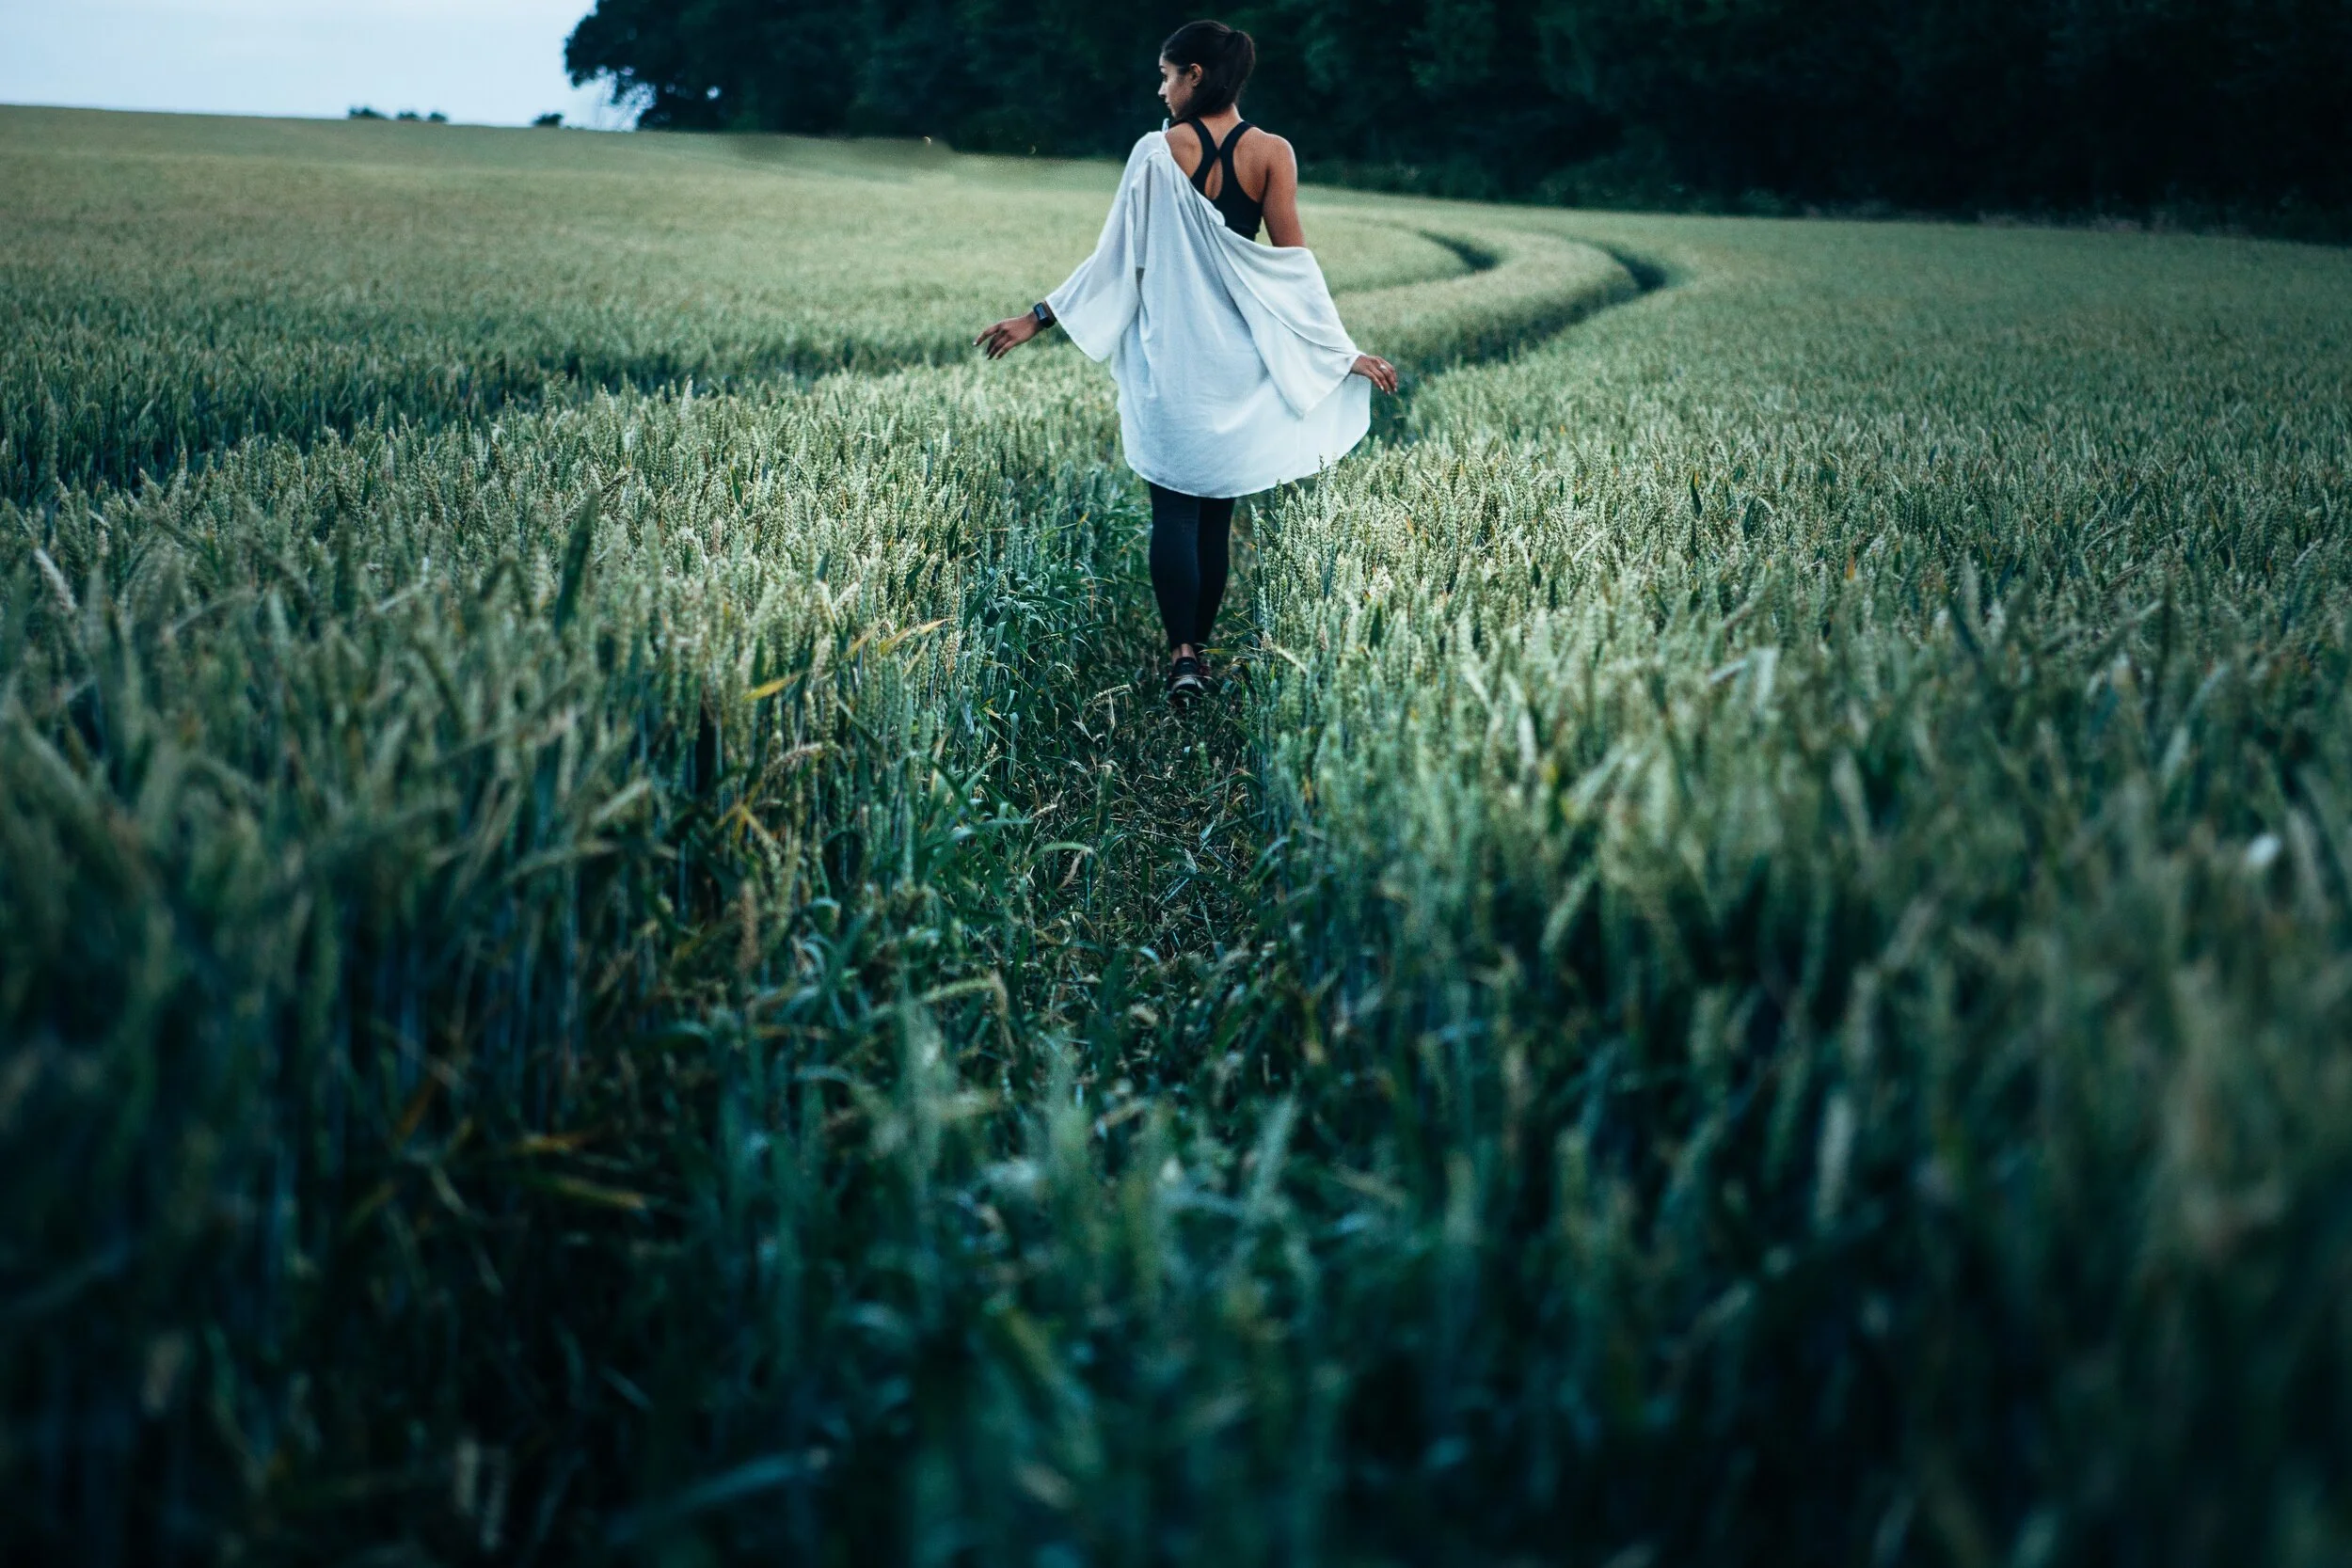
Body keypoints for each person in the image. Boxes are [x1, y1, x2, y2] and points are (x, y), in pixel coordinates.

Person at [977, 19, 1398, 704]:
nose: (1162, 88)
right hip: (1237, 363)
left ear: (1195, 75)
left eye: (1168, 74)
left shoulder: (1153, 152)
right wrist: (1338, 353)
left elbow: (1115, 257)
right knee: (1215, 512)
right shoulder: (1272, 153)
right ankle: (1198, 658)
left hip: (1170, 360)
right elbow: (1291, 270)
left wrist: (1039, 317)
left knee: (1171, 510)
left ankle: (1181, 657)